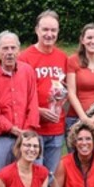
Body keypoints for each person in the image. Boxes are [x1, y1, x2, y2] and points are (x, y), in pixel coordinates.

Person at [0, 30, 40, 180]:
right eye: (5, 48)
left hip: (26, 133)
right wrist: (12, 128)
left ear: (19, 51)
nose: (9, 52)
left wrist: (27, 131)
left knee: (31, 175)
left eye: (13, 48)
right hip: (1, 136)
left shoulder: (27, 71)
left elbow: (33, 102)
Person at [19, 10, 69, 175]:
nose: (49, 34)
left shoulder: (62, 57)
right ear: (37, 30)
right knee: (33, 174)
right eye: (45, 29)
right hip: (34, 128)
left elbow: (66, 87)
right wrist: (38, 111)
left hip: (56, 128)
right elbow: (19, 95)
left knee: (50, 175)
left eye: (53, 30)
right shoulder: (25, 58)